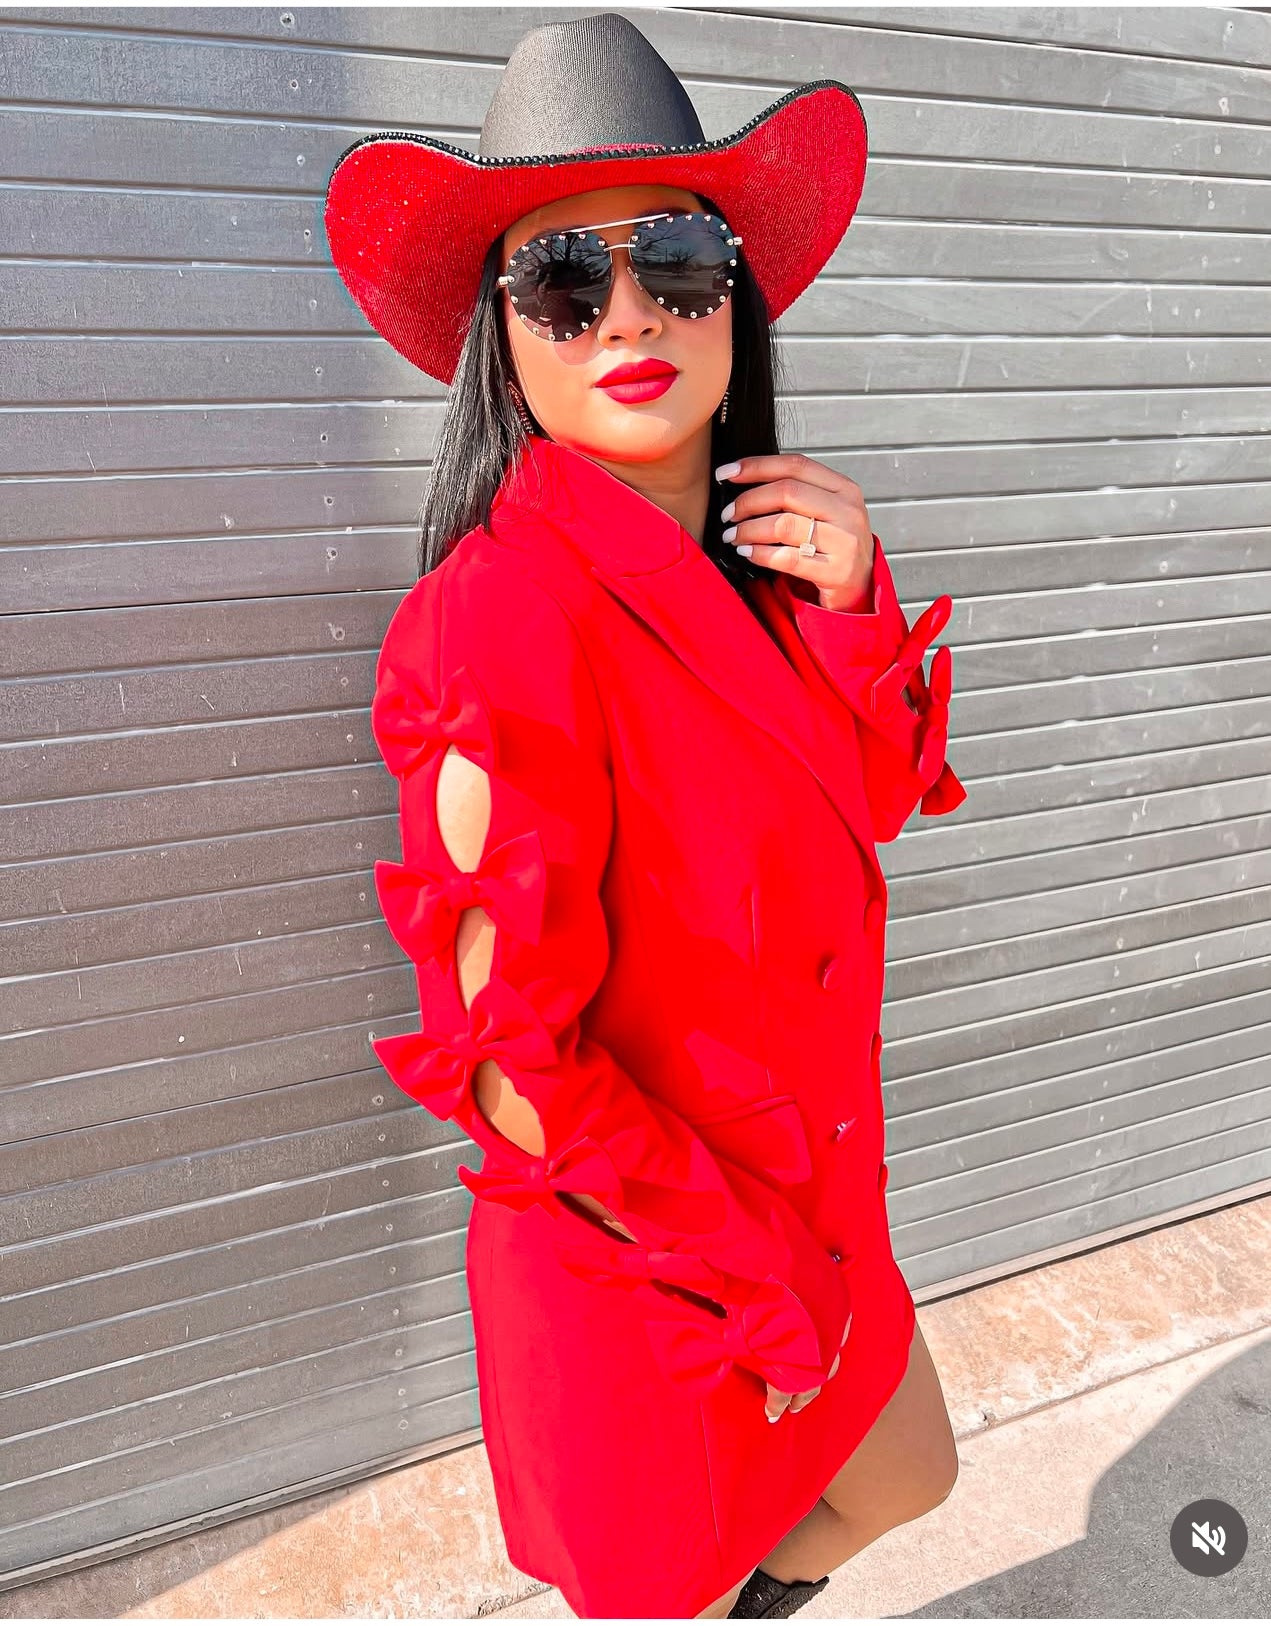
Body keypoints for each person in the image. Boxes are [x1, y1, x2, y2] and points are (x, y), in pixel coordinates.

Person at [325, 13, 965, 1620]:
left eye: (677, 259)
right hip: (658, 1268)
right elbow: (505, 1060)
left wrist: (846, 609)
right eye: (562, 279)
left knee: (910, 1471)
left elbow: (869, 808)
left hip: (815, 1202)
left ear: (734, 295)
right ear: (504, 334)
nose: (628, 314)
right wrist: (754, 1288)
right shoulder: (504, 621)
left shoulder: (758, 563)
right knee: (669, 1577)